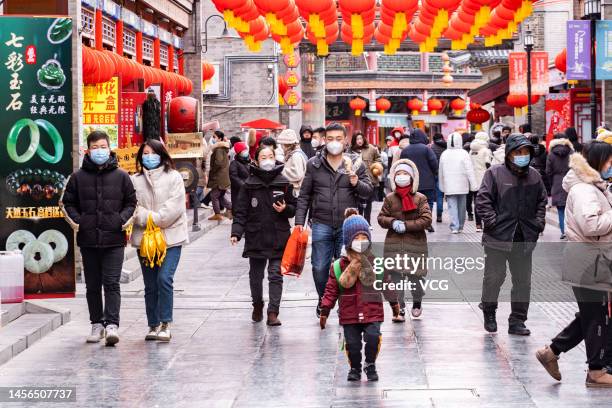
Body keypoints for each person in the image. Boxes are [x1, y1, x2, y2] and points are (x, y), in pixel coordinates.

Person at [536, 141, 612, 387]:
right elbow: (591, 226)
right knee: (597, 317)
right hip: (590, 263)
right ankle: (596, 372)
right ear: (599, 161)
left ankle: (552, 352)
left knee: (592, 315)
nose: (611, 165)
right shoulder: (584, 191)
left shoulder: (593, 187)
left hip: (594, 261)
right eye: (609, 161)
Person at [60, 130, 137, 346]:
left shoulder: (122, 176)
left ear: (109, 148)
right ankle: (97, 324)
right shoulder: (77, 177)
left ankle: (112, 325)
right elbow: (67, 203)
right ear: (88, 150)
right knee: (92, 285)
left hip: (114, 239)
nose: (99, 151)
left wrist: (120, 220)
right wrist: (80, 221)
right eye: (95, 147)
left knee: (111, 283)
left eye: (103, 147)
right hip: (88, 239)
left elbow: (132, 202)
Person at [295, 122, 373, 318]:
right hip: (321, 221)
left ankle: (344, 304)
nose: (334, 143)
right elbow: (304, 195)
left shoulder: (355, 163)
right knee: (320, 266)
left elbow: (368, 192)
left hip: (348, 225)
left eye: (338, 139)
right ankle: (324, 299)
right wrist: (299, 222)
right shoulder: (314, 164)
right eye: (330, 139)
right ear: (324, 140)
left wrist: (357, 183)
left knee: (346, 265)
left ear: (345, 140)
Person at [476, 134, 547, 335]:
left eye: (526, 152)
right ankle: (489, 311)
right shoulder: (494, 173)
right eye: (518, 152)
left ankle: (518, 320)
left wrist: (538, 223)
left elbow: (542, 201)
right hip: (497, 237)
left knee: (523, 281)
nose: (522, 156)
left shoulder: (534, 175)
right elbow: (483, 201)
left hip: (524, 238)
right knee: (494, 278)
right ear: (509, 154)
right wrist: (492, 222)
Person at [230, 145, 296, 326]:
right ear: (256, 161)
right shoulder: (249, 185)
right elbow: (241, 211)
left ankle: (273, 312)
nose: (267, 160)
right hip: (256, 236)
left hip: (278, 236)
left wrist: (286, 209)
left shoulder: (284, 182)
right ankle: (257, 304)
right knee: (256, 275)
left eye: (270, 156)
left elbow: (294, 207)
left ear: (275, 158)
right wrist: (236, 232)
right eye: (263, 157)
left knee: (275, 274)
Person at [131, 139, 188, 342]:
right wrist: (148, 218)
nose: (148, 157)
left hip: (171, 237)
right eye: (145, 153)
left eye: (152, 153)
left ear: (162, 154)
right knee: (150, 284)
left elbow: (173, 209)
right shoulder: (134, 180)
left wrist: (151, 218)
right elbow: (132, 208)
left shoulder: (174, 177)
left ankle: (165, 322)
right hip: (145, 239)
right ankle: (153, 324)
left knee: (164, 278)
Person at [319, 209, 384, 382]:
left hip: (373, 310)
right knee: (352, 344)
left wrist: (395, 303)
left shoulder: (375, 262)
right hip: (349, 312)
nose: (361, 242)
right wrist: (325, 310)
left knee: (373, 337)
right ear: (348, 241)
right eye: (357, 239)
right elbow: (331, 289)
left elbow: (387, 283)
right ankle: (354, 367)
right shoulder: (338, 266)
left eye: (364, 238)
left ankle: (370, 363)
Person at [378, 159, 432, 320]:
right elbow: (381, 218)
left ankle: (417, 300)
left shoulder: (420, 198)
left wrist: (407, 225)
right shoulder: (390, 198)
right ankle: (400, 308)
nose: (401, 177)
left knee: (415, 278)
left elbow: (427, 219)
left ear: (412, 177)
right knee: (395, 279)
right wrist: (392, 222)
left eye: (405, 174)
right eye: (398, 174)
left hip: (415, 245)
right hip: (394, 245)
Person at [399, 128, 438, 232]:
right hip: (428, 182)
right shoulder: (426, 149)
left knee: (415, 202)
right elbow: (434, 163)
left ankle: (417, 222)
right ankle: (427, 222)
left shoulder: (405, 150)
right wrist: (434, 174)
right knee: (428, 202)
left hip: (411, 182)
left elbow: (402, 165)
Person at [439, 132, 477, 233]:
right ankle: (460, 226)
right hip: (462, 185)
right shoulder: (464, 153)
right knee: (462, 207)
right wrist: (473, 184)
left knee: (452, 207)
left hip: (449, 185)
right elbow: (470, 170)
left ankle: (454, 226)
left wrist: (441, 186)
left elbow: (440, 172)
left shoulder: (444, 154)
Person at [350, 131, 383, 224]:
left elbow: (378, 159)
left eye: (361, 138)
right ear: (354, 140)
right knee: (358, 202)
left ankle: (368, 222)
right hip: (356, 179)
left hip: (369, 179)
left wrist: (376, 167)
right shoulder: (350, 150)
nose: (359, 141)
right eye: (357, 139)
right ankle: (360, 221)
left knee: (368, 202)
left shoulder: (371, 148)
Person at [546, 134, 574, 239]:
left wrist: (551, 183)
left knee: (561, 210)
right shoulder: (571, 152)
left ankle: (563, 232)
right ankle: (572, 231)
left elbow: (548, 171)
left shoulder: (551, 154)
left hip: (556, 183)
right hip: (571, 181)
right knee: (571, 209)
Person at [469, 132, 493, 232]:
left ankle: (478, 225)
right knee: (486, 202)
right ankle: (487, 222)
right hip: (484, 179)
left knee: (476, 202)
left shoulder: (471, 151)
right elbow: (488, 164)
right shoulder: (485, 150)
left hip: (474, 180)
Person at [207, 130, 232, 221]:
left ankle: (217, 214)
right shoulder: (223, 149)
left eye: (214, 137)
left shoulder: (218, 149)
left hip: (218, 177)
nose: (213, 139)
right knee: (220, 196)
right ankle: (233, 208)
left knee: (214, 196)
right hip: (223, 177)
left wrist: (212, 170)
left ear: (220, 138)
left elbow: (218, 163)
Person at [229, 142, 251, 209]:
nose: (245, 152)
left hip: (248, 190)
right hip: (238, 191)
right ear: (239, 152)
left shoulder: (248, 162)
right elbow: (233, 177)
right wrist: (243, 185)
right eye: (243, 150)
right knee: (238, 209)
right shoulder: (234, 163)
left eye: (246, 150)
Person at [431, 133, 447, 223]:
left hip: (434, 173)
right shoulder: (446, 147)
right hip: (444, 174)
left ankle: (432, 215)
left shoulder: (432, 147)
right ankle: (439, 215)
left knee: (435, 196)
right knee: (440, 195)